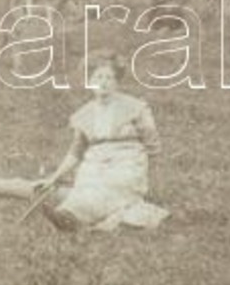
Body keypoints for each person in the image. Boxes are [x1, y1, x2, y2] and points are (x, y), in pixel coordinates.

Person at [36, 51, 170, 232]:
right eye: (98, 77)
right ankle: (67, 215)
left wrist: (147, 174)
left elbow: (153, 145)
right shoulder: (84, 114)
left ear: (116, 82)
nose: (103, 82)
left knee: (109, 186)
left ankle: (73, 216)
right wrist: (54, 178)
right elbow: (76, 152)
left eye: (109, 77)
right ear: (89, 81)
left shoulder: (135, 108)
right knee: (85, 188)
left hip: (127, 166)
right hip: (94, 166)